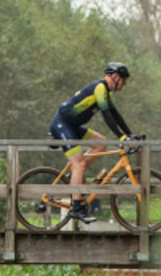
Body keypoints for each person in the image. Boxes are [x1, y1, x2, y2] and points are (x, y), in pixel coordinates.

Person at [51, 62, 136, 222]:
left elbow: (116, 115)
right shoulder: (99, 88)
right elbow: (107, 116)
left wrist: (130, 134)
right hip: (62, 123)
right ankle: (77, 208)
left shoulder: (106, 93)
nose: (124, 85)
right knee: (79, 164)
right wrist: (121, 137)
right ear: (115, 77)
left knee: (101, 143)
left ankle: (74, 177)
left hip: (73, 126)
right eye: (123, 81)